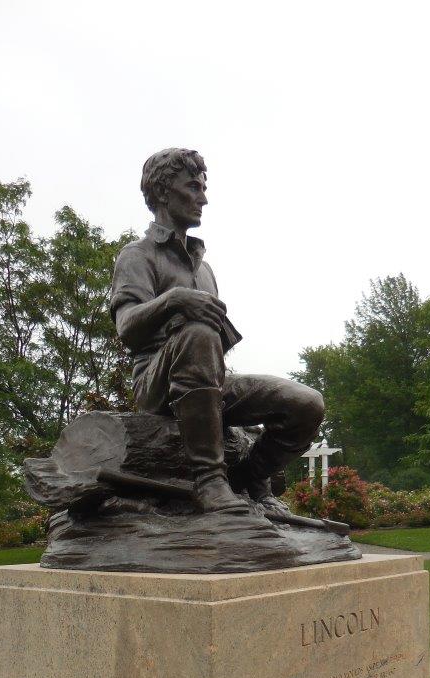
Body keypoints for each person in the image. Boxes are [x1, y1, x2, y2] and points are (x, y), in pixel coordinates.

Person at [110, 147, 324, 514]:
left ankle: (252, 480)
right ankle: (209, 480)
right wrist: (174, 300)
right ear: (163, 192)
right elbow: (126, 327)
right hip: (155, 383)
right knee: (197, 333)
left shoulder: (204, 267)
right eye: (193, 187)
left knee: (306, 404)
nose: (203, 198)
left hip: (209, 377)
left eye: (203, 188)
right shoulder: (137, 255)